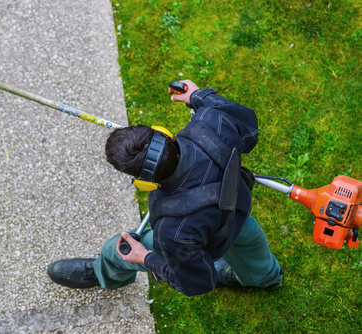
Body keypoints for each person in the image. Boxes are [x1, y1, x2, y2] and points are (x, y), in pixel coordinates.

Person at [47, 80, 283, 296]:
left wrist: (145, 257)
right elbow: (248, 127)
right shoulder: (210, 124)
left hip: (209, 236)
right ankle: (268, 278)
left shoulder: (172, 233)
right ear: (164, 134)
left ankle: (103, 269)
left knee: (115, 249)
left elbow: (198, 282)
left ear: (144, 182)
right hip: (237, 213)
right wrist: (199, 96)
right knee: (250, 245)